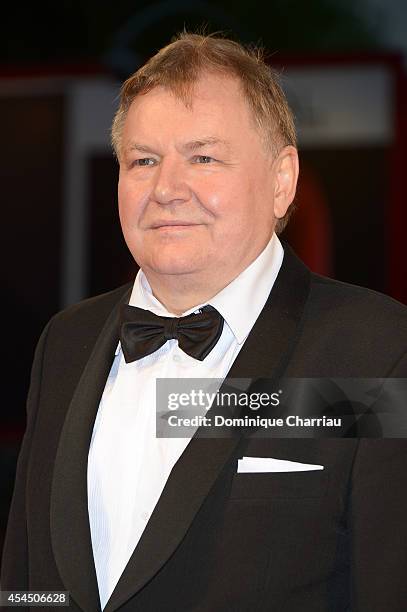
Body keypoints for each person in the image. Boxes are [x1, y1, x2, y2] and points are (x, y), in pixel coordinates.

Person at [2, 32, 407, 612]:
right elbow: (27, 585)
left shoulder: (377, 350)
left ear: (281, 180)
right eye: (143, 160)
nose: (166, 189)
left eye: (204, 157)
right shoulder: (66, 342)